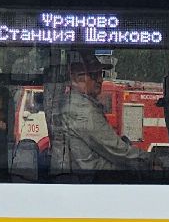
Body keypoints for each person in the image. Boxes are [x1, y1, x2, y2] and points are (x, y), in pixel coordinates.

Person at [48, 49, 150, 179]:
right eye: (93, 75)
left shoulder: (72, 102)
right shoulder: (82, 110)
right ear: (75, 79)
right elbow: (117, 150)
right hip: (90, 181)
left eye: (101, 74)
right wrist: (149, 159)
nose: (100, 80)